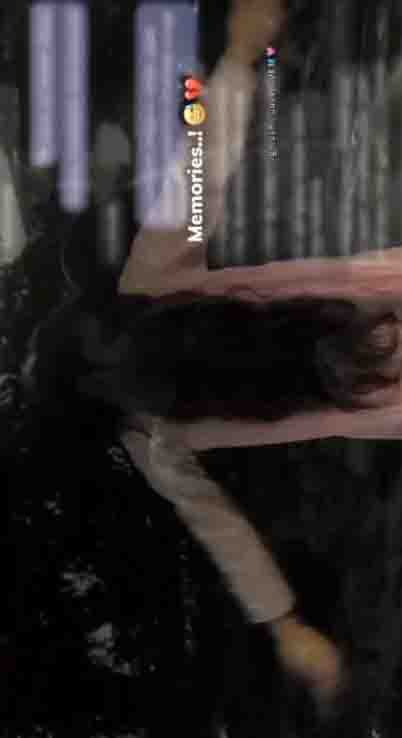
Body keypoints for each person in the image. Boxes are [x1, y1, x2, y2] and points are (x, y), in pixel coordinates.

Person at [28, 0, 402, 720]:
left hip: (381, 393)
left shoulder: (150, 437)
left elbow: (228, 537)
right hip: (378, 303)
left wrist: (288, 628)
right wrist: (238, 57)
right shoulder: (148, 286)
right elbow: (201, 177)